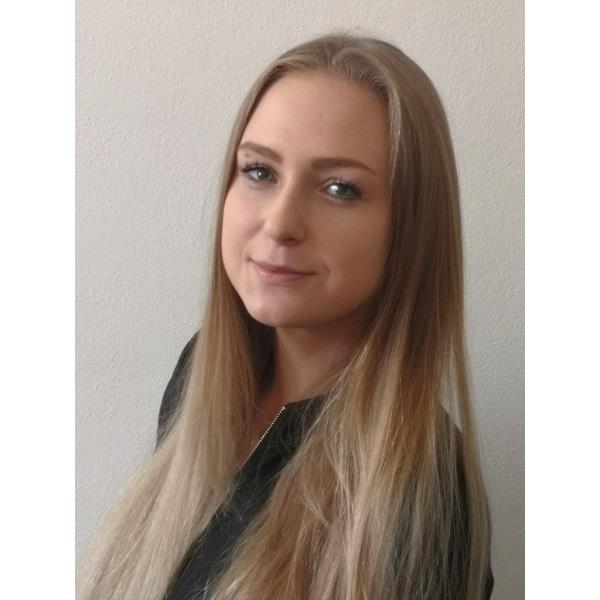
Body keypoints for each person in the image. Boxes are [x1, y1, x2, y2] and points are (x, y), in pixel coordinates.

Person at [78, 32, 495, 600]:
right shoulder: (203, 371)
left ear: (410, 228)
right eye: (260, 172)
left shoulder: (423, 492)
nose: (279, 223)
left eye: (340, 188)